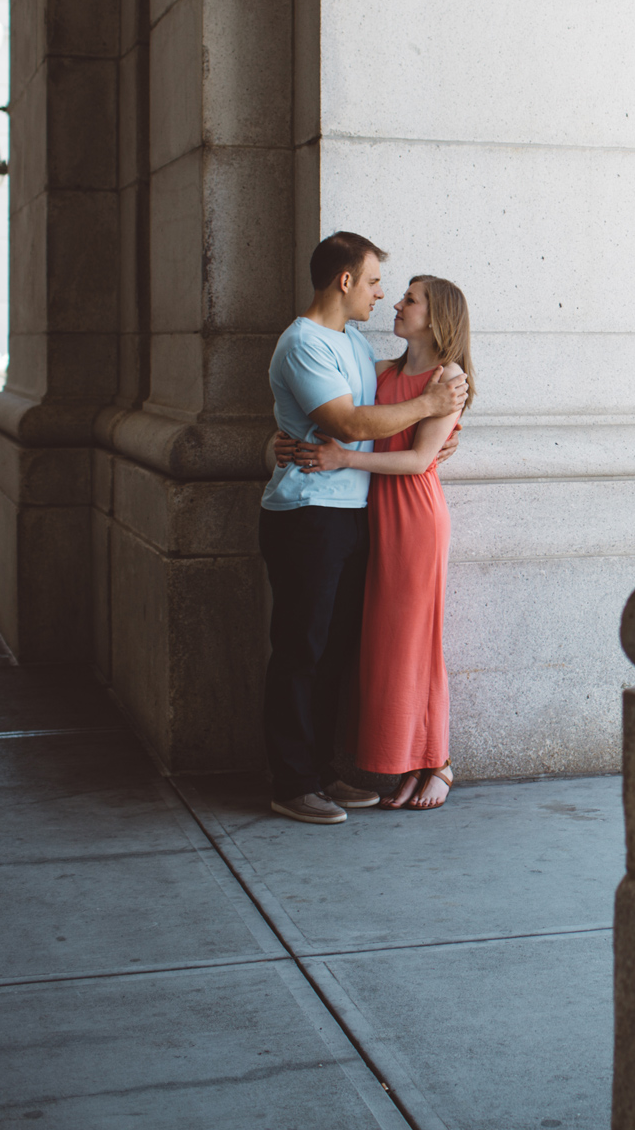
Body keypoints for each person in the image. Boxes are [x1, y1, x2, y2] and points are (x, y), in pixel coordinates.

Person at [259, 233, 465, 826]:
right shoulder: (303, 343)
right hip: (306, 516)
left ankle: (323, 772)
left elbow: (380, 415)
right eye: (375, 282)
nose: (382, 295)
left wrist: (440, 430)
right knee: (300, 651)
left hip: (353, 517)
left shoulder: (350, 341)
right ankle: (292, 782)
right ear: (345, 281)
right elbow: (347, 421)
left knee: (333, 653)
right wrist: (430, 408)